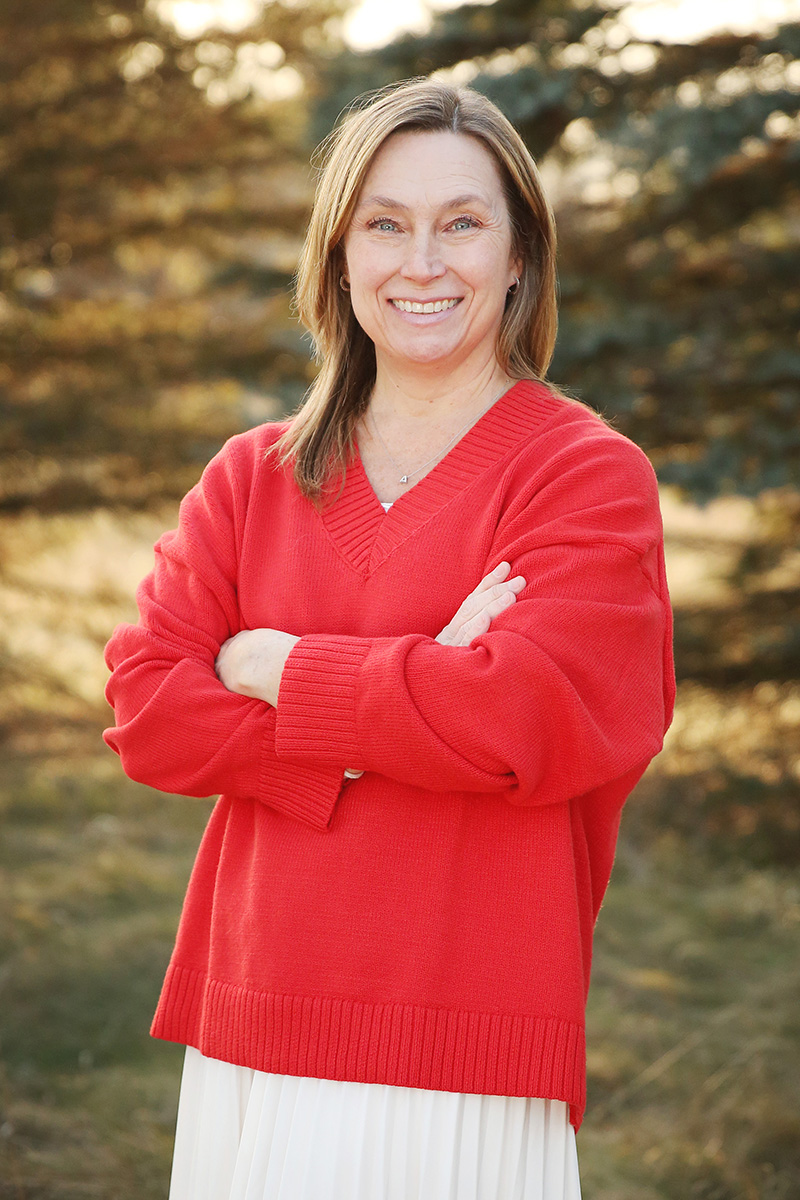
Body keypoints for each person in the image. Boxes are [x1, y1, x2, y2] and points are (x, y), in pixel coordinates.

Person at [103, 78, 675, 1200]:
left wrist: (272, 667)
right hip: (251, 1021)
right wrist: (404, 697)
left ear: (518, 257)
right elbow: (147, 710)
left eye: (462, 223)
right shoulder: (252, 477)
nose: (423, 262)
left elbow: (518, 719)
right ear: (339, 253)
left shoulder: (582, 476)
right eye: (385, 223)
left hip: (461, 1034)